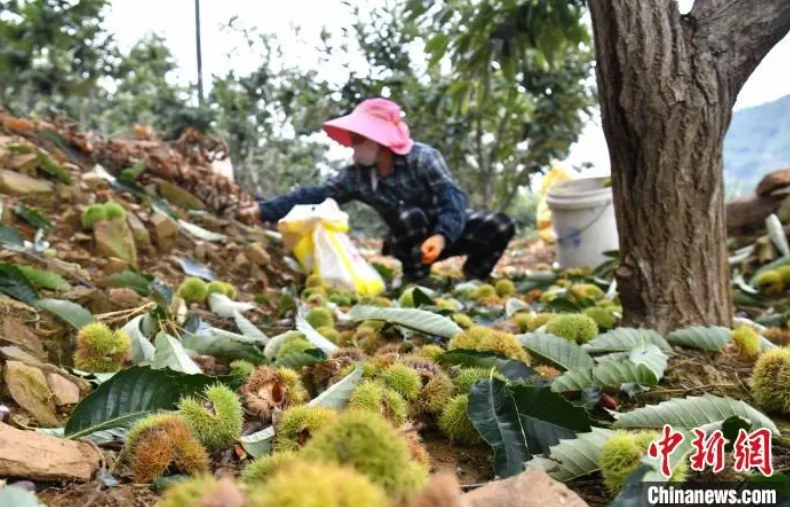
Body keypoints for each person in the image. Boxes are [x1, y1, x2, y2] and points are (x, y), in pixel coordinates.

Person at [238, 97, 516, 285]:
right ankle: (417, 282)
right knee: (409, 216)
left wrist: (442, 236)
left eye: (358, 139)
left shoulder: (422, 158)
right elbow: (313, 194)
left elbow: (451, 198)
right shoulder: (358, 177)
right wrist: (263, 210)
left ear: (379, 141)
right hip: (408, 241)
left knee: (499, 224)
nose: (352, 146)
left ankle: (473, 278)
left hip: (447, 233)